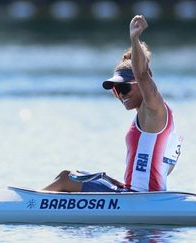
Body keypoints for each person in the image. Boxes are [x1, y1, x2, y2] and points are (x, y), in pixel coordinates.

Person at [43, 15, 181, 192]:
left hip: (140, 199)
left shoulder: (154, 109)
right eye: (115, 90)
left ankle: (26, 206)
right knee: (71, 175)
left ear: (140, 85)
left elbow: (142, 74)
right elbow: (166, 168)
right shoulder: (152, 118)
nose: (120, 95)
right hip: (138, 194)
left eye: (123, 88)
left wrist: (134, 39)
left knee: (64, 180)